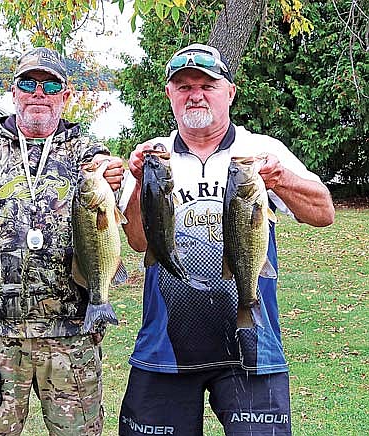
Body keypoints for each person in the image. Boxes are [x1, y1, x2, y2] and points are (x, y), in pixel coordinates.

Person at [118, 43, 335, 436]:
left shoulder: (262, 150)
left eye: (207, 84)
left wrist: (281, 179)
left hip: (250, 345)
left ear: (230, 92)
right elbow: (137, 241)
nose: (195, 94)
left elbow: (323, 213)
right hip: (165, 344)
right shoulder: (154, 156)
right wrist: (135, 183)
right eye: (183, 86)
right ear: (169, 94)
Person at [0, 47, 124, 436]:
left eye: (50, 85)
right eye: (28, 84)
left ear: (65, 96)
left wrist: (108, 171)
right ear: (14, 93)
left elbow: (102, 167)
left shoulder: (82, 149)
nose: (39, 93)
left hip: (72, 337)